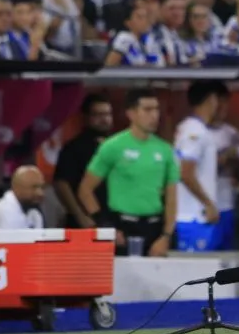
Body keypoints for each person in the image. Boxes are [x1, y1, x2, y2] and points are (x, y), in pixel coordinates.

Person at [78, 89, 179, 257]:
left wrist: (166, 236)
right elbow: (85, 190)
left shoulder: (165, 150)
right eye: (147, 110)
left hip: (155, 228)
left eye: (156, 109)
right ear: (131, 113)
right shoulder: (113, 146)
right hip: (122, 228)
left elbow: (171, 198)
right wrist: (105, 226)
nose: (154, 115)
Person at [174, 81, 223, 252]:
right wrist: (208, 204)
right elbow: (186, 173)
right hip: (193, 216)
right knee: (194, 267)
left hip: (194, 216)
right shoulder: (195, 131)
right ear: (211, 99)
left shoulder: (190, 127)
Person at [53, 95, 114, 228]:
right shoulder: (74, 148)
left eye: (107, 114)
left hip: (114, 219)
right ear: (86, 117)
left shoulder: (117, 146)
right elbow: (61, 184)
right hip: (86, 220)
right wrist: (80, 216)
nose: (104, 119)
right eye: (98, 115)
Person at [209, 85, 239, 250]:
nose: (221, 108)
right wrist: (225, 157)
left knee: (228, 253)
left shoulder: (232, 133)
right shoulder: (199, 131)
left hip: (227, 204)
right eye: (218, 103)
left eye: (224, 103)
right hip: (205, 206)